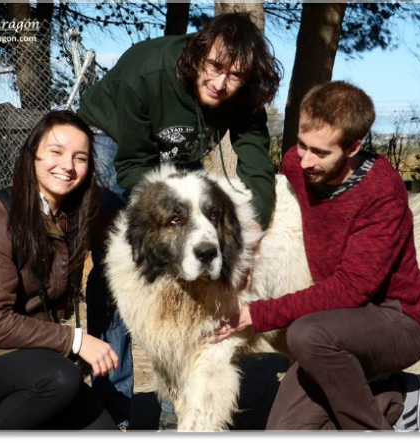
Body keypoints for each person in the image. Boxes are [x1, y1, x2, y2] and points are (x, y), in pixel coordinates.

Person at [78, 12, 282, 429]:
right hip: (111, 137)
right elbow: (134, 162)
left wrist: (249, 229)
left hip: (175, 147)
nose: (222, 83)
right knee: (127, 265)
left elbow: (257, 166)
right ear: (198, 55)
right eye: (215, 68)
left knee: (187, 279)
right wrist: (157, 214)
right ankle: (114, 409)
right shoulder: (147, 71)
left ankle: (181, 405)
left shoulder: (241, 93)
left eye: (236, 76)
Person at [214, 81, 420, 431]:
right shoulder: (297, 165)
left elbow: (351, 289)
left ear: (353, 148)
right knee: (284, 432)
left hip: (397, 319)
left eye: (320, 152)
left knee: (304, 334)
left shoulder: (382, 192)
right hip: (332, 328)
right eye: (301, 145)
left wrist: (257, 313)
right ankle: (395, 398)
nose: (304, 160)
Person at [0, 110, 121, 430]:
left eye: (80, 158)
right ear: (31, 157)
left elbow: (137, 233)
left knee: (102, 430)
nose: (67, 165)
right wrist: (76, 341)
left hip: (39, 357)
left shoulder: (76, 214)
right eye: (56, 152)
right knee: (60, 379)